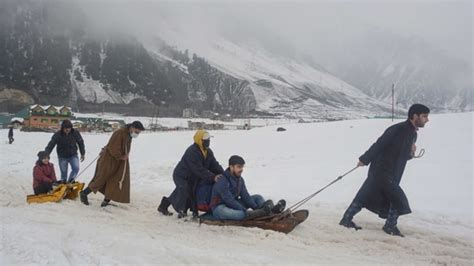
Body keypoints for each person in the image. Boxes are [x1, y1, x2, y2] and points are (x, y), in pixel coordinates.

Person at [339, 104, 430, 237]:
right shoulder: (397, 129)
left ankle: (346, 219)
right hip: (381, 169)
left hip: (393, 172)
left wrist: (410, 153)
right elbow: (379, 144)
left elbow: (402, 156)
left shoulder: (412, 134)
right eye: (424, 116)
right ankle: (390, 226)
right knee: (398, 198)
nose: (427, 120)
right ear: (414, 116)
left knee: (365, 194)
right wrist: (365, 159)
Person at [158, 130, 224, 218]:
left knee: (187, 191)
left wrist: (224, 174)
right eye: (205, 139)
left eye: (208, 139)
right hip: (182, 175)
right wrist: (212, 177)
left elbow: (214, 165)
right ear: (199, 140)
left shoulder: (208, 152)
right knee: (184, 190)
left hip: (193, 176)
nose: (208, 141)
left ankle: (163, 206)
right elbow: (198, 169)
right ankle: (182, 211)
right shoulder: (192, 151)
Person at [80, 121, 145, 207]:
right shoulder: (120, 133)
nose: (137, 134)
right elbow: (113, 147)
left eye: (138, 133)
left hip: (118, 161)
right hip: (109, 159)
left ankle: (106, 201)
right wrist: (121, 156)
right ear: (132, 127)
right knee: (101, 178)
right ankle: (84, 193)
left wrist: (123, 157)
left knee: (115, 180)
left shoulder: (128, 134)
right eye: (136, 132)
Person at [204, 155, 286, 220]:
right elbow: (229, 200)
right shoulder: (222, 180)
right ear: (231, 167)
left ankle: (266, 210)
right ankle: (263, 211)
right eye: (239, 167)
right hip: (219, 208)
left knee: (257, 197)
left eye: (242, 167)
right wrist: (244, 210)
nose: (241, 169)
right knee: (238, 214)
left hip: (233, 204)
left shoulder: (240, 179)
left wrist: (255, 207)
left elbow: (245, 195)